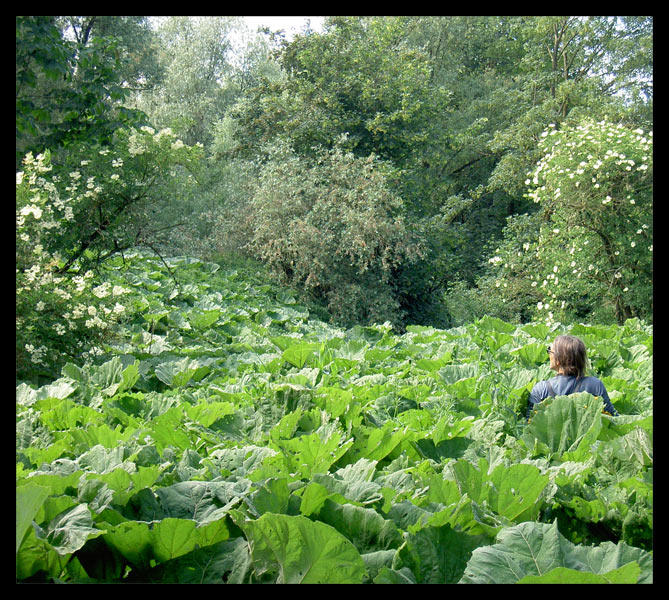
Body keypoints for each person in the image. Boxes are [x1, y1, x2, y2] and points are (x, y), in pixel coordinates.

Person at [526, 334, 619, 420]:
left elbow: (530, 424)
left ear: (559, 359)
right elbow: (613, 418)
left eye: (550, 350)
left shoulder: (541, 389)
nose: (548, 354)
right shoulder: (595, 385)